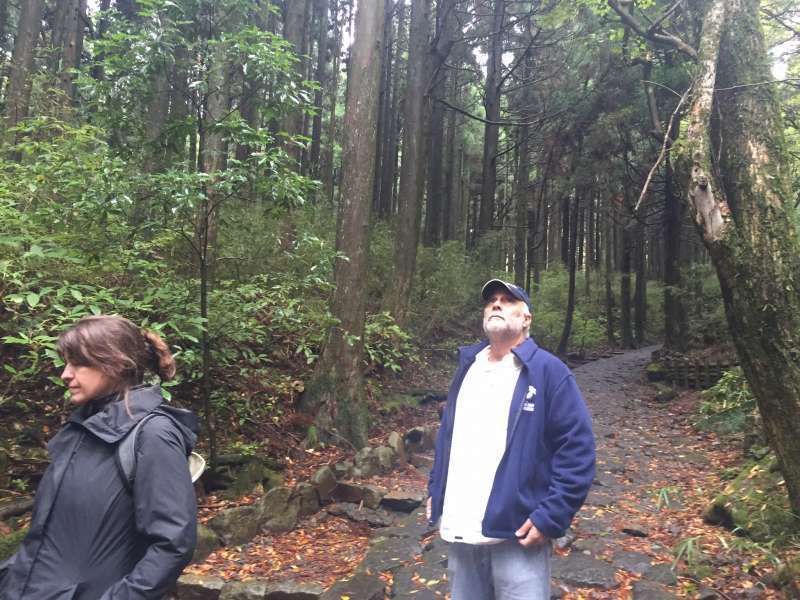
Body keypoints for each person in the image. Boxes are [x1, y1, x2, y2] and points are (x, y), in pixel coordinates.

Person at [0, 315, 199, 600]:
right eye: (66, 363)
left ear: (116, 364)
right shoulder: (82, 428)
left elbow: (172, 544)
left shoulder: (153, 434)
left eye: (78, 363)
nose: (65, 374)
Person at [427, 279, 595, 600]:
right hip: (462, 528)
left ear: (526, 319)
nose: (496, 304)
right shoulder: (468, 367)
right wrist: (437, 487)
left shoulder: (548, 372)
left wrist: (551, 516)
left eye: (507, 300)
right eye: (491, 300)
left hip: (516, 532)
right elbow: (449, 436)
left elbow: (578, 450)